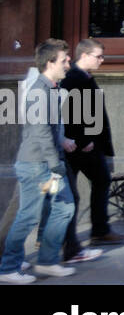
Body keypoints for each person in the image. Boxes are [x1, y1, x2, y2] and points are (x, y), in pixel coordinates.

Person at [0, 39, 80, 283]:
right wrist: (54, 161)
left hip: (46, 167)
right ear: (50, 62)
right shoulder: (39, 90)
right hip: (38, 168)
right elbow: (39, 130)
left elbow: (50, 128)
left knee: (63, 205)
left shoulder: (51, 89)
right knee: (29, 215)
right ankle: (8, 269)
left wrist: (63, 141)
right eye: (65, 60)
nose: (69, 63)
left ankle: (46, 260)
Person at [61, 39, 124, 261]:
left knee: (100, 181)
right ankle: (84, 236)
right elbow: (68, 112)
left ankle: (99, 230)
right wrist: (84, 138)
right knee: (70, 194)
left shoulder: (84, 77)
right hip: (80, 147)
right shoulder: (73, 78)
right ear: (84, 55)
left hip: (87, 144)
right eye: (98, 56)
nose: (102, 60)